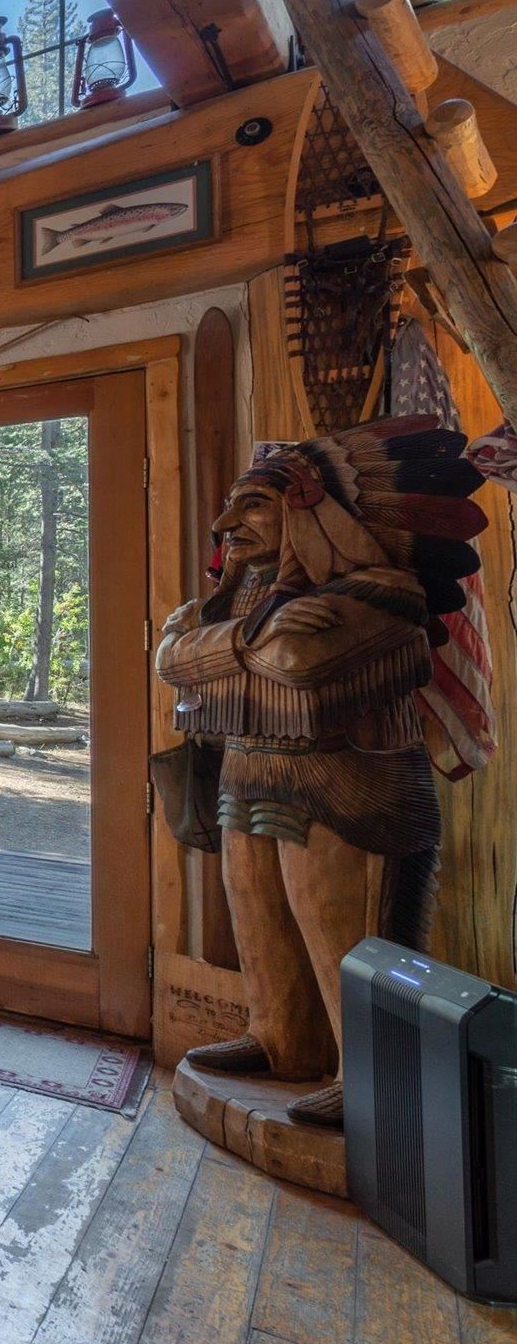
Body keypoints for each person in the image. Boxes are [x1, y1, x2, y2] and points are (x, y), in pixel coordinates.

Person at [156, 417, 487, 1125]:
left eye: (249, 506)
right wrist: (250, 635)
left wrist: (209, 643)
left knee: (342, 928)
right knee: (257, 908)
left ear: (306, 509)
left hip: (344, 789)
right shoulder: (244, 599)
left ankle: (369, 1073)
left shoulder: (382, 590)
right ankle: (281, 1037)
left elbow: (300, 664)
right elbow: (169, 662)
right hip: (247, 775)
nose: (224, 524)